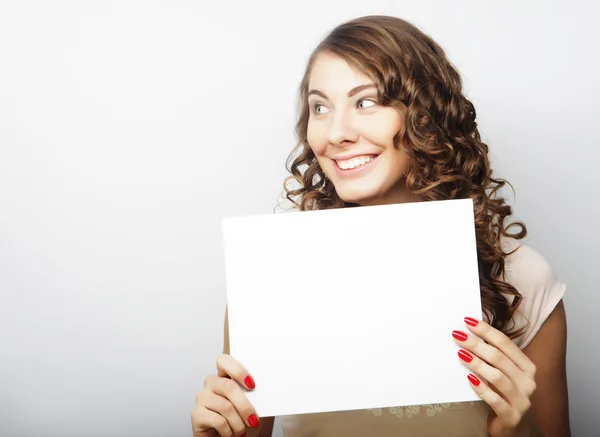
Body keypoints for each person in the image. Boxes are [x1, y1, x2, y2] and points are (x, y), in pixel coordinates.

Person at [191, 15, 570, 437]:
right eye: (320, 107)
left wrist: (518, 430)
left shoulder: (524, 279)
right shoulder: (267, 282)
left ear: (425, 114)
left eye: (365, 101)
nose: (336, 133)